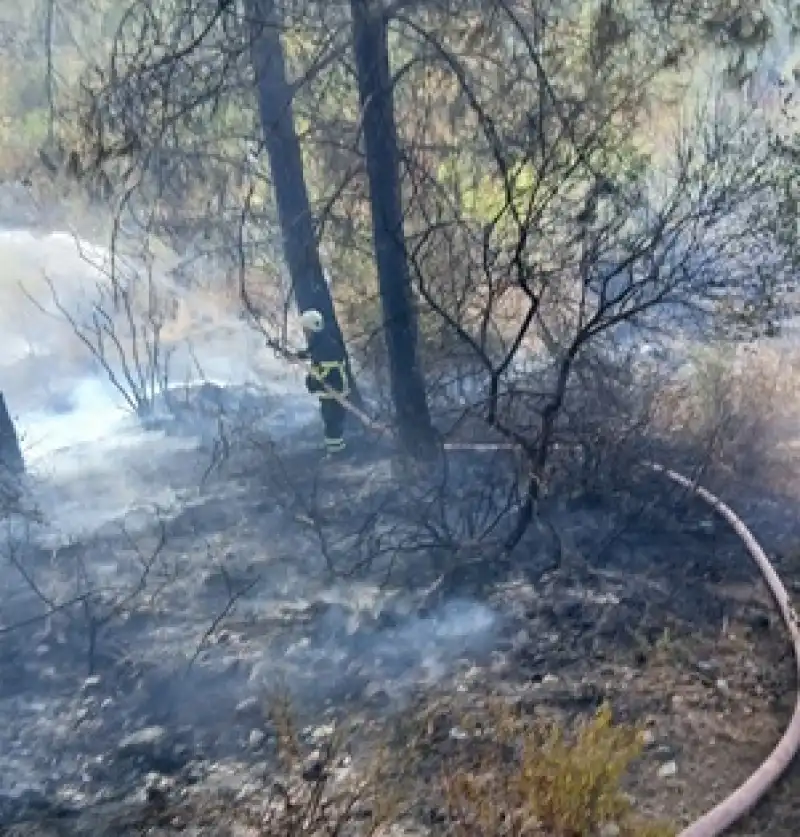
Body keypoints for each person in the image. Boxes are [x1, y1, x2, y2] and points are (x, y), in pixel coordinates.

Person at [297, 309, 349, 457]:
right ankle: (334, 450)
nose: (305, 333)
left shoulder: (325, 346)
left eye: (306, 329)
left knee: (332, 424)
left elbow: (326, 371)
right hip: (331, 392)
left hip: (334, 392)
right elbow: (312, 354)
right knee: (331, 422)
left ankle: (337, 453)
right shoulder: (322, 341)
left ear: (311, 329)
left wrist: (313, 382)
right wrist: (300, 355)